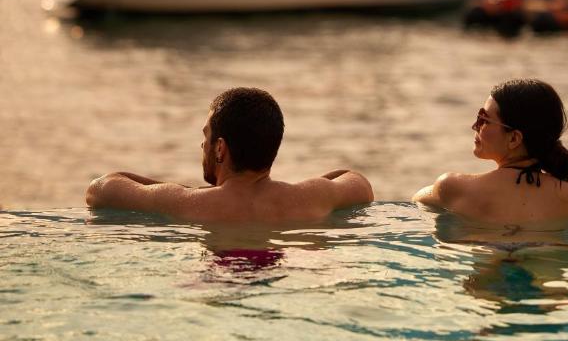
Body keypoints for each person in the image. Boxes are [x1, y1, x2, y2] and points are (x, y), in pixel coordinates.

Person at [86, 87, 373, 225]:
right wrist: (300, 189)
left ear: (220, 148)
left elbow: (101, 189)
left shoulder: (183, 201)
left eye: (206, 137)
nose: (202, 147)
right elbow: (359, 183)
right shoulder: (314, 196)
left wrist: (186, 191)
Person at [414, 79, 568, 226]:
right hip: (545, 268)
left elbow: (416, 201)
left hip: (491, 268)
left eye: (483, 119)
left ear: (514, 139)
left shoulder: (454, 188)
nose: (475, 126)